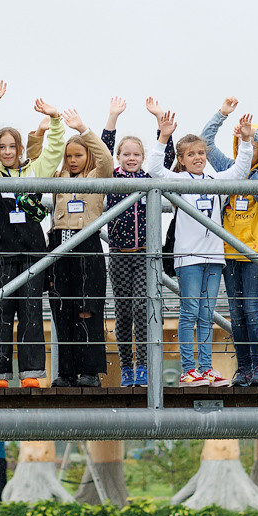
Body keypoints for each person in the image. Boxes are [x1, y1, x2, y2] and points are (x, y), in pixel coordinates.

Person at [145, 104, 257, 386]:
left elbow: (240, 170)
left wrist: (245, 141)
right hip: (188, 259)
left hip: (214, 258)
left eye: (201, 153)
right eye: (191, 154)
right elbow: (155, 169)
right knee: (189, 312)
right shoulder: (179, 180)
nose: (197, 158)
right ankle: (188, 369)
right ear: (182, 160)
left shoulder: (215, 180)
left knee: (206, 315)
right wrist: (163, 136)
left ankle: (206, 368)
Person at [199, 99, 258, 389]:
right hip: (228, 252)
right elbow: (205, 143)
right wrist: (222, 115)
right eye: (242, 144)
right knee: (236, 313)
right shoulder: (230, 167)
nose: (247, 149)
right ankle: (243, 369)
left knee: (252, 308)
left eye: (252, 146)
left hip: (256, 253)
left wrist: (254, 134)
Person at [0, 93, 66, 387]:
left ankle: (31, 373)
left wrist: (55, 119)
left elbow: (54, 151)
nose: (7, 152)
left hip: (32, 254)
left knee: (31, 314)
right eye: (2, 147)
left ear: (19, 148)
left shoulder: (33, 171)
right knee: (0, 315)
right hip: (2, 256)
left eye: (12, 146)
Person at [37, 104, 115, 387]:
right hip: (59, 245)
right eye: (69, 156)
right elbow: (37, 162)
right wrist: (40, 133)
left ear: (87, 156)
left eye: (78, 155)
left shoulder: (96, 177)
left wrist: (83, 128)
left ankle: (90, 372)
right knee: (62, 310)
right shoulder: (58, 179)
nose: (72, 160)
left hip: (87, 245)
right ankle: (66, 372)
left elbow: (106, 159)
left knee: (87, 309)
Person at [100, 107, 155, 388]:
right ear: (119, 157)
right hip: (119, 255)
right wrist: (113, 118)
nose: (131, 158)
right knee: (123, 313)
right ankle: (126, 368)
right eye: (126, 154)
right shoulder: (112, 178)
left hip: (144, 255)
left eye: (136, 154)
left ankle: (143, 365)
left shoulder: (149, 179)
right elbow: (102, 150)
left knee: (142, 309)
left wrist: (161, 124)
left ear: (143, 158)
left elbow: (166, 157)